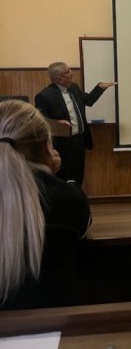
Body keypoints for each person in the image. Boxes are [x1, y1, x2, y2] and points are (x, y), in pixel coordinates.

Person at [0, 99, 91, 310]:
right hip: (52, 325)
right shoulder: (68, 197)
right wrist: (52, 176)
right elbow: (83, 227)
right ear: (45, 146)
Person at [35, 62, 115, 185]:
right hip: (62, 144)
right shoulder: (45, 96)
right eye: (68, 72)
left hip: (79, 140)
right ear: (60, 78)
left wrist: (100, 87)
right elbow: (39, 121)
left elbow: (88, 100)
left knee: (78, 175)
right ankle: (65, 202)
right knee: (63, 177)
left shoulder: (74, 88)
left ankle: (76, 199)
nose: (72, 73)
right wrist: (56, 123)